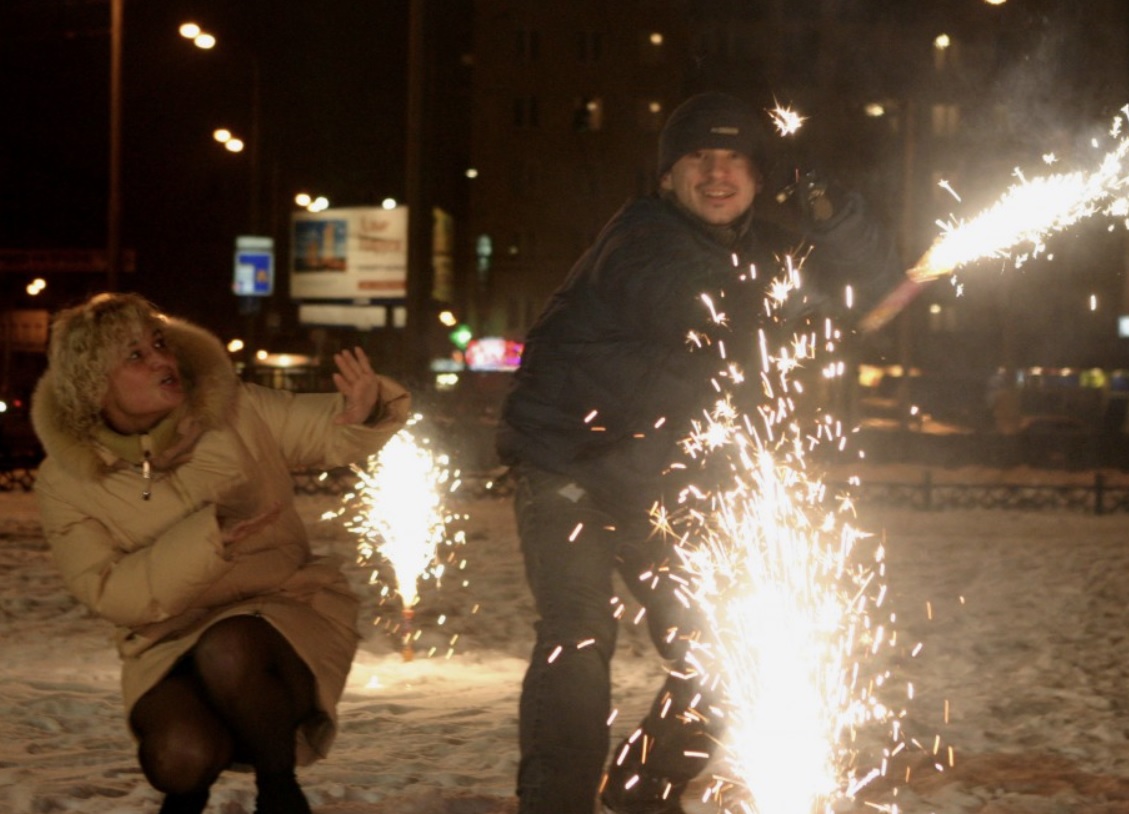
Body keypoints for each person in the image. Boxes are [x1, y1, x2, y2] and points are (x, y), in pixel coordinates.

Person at [496, 91, 904, 814]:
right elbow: (698, 306)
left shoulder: (765, 248)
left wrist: (831, 215)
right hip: (571, 468)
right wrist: (791, 310)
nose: (717, 173)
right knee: (578, 636)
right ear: (667, 176)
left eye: (736, 159)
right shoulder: (639, 238)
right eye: (698, 157)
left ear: (759, 176)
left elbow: (872, 285)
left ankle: (642, 790)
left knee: (730, 647)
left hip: (667, 482)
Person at [30, 292, 411, 814]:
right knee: (179, 756)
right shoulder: (65, 480)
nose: (162, 359)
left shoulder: (235, 409)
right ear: (95, 384)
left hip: (284, 613)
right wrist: (207, 542)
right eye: (136, 355)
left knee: (229, 648)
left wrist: (365, 410)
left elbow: (328, 430)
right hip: (167, 641)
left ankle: (279, 792)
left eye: (158, 343)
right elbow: (109, 591)